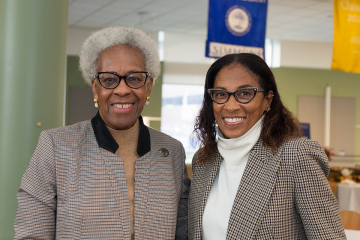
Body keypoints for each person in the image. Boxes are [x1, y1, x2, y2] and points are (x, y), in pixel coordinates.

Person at [14, 26, 189, 240]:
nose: (123, 90)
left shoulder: (172, 152)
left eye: (134, 78)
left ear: (149, 86)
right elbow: (31, 234)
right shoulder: (56, 145)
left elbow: (183, 233)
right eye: (109, 79)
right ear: (95, 88)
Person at [188, 53, 346, 239]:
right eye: (221, 94)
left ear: (267, 100)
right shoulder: (203, 160)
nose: (231, 106)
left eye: (245, 93)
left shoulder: (296, 156)